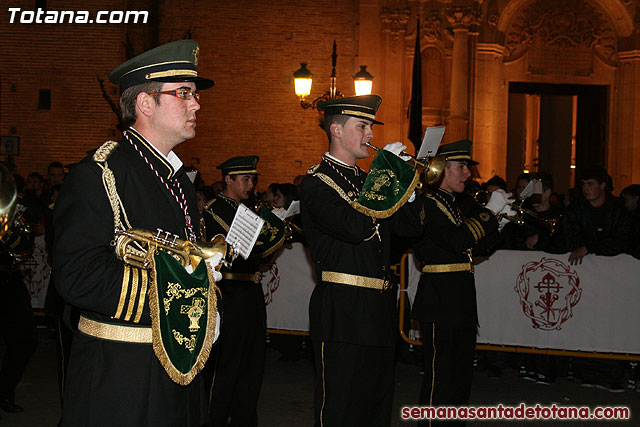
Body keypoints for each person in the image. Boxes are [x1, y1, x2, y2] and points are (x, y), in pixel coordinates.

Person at [53, 40, 215, 426]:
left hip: (178, 363)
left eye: (193, 95)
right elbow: (77, 277)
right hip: (120, 372)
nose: (196, 104)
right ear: (145, 103)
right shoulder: (99, 173)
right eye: (184, 94)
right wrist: (186, 299)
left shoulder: (178, 181)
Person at [300, 94, 421, 427]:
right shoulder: (315, 183)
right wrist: (384, 175)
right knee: (340, 408)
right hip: (342, 309)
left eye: (370, 126)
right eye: (363, 126)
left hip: (379, 309)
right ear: (337, 130)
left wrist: (407, 190)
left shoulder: (367, 183)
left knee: (376, 408)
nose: (370, 135)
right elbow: (354, 227)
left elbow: (411, 229)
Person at [410, 140, 512, 425]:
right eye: (461, 166)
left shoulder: (449, 204)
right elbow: (456, 241)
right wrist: (489, 213)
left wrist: (498, 224)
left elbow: (472, 249)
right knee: (440, 380)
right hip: (440, 301)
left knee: (458, 380)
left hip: (458, 301)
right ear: (440, 169)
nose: (468, 174)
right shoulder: (427, 203)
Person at [202, 156, 266, 427]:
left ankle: (244, 417)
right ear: (228, 180)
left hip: (251, 290)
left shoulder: (252, 208)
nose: (250, 184)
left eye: (253, 179)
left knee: (252, 361)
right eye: (245, 179)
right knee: (227, 362)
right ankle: (214, 417)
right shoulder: (214, 209)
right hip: (228, 291)